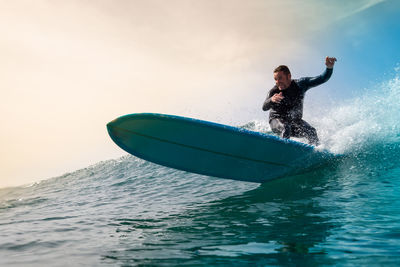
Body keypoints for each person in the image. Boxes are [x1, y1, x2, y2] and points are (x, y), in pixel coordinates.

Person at [262, 57, 337, 145]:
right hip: (276, 121)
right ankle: (282, 152)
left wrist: (329, 68)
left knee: (311, 131)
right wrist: (271, 100)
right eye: (275, 79)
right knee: (286, 127)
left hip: (295, 122)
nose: (277, 82)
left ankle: (313, 153)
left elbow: (322, 78)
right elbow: (264, 107)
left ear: (289, 76)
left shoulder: (301, 84)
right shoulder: (274, 91)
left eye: (280, 78)